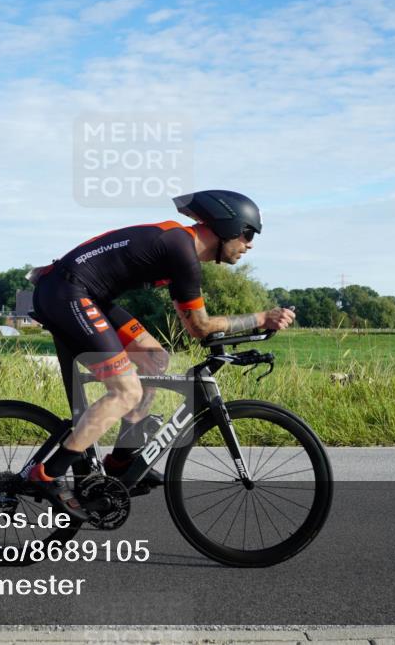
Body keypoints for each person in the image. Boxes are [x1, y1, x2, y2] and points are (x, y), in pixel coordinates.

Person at [24, 190, 296, 520]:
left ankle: (120, 463)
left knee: (154, 358)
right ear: (228, 226)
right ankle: (47, 474)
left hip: (82, 293)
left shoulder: (181, 249)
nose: (250, 244)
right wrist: (260, 318)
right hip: (67, 293)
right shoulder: (180, 249)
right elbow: (199, 326)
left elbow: (198, 325)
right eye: (248, 233)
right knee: (127, 390)